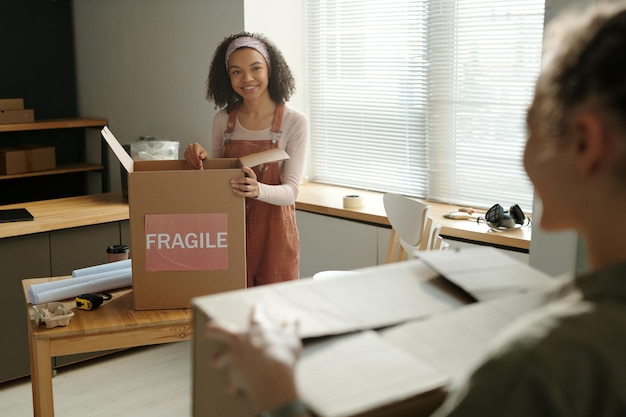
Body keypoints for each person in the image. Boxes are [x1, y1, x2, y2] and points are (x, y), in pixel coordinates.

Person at [203, 2, 626, 417]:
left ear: (586, 143)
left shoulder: (532, 365)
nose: (521, 155)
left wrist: (278, 394)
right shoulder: (569, 325)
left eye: (531, 125)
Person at [185, 32, 308, 287]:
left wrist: (257, 190)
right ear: (226, 77)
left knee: (276, 316)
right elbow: (217, 181)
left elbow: (291, 192)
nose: (247, 79)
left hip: (275, 237)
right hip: (229, 231)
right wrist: (201, 160)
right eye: (236, 72)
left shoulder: (294, 121)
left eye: (255, 68)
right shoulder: (222, 120)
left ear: (270, 69)